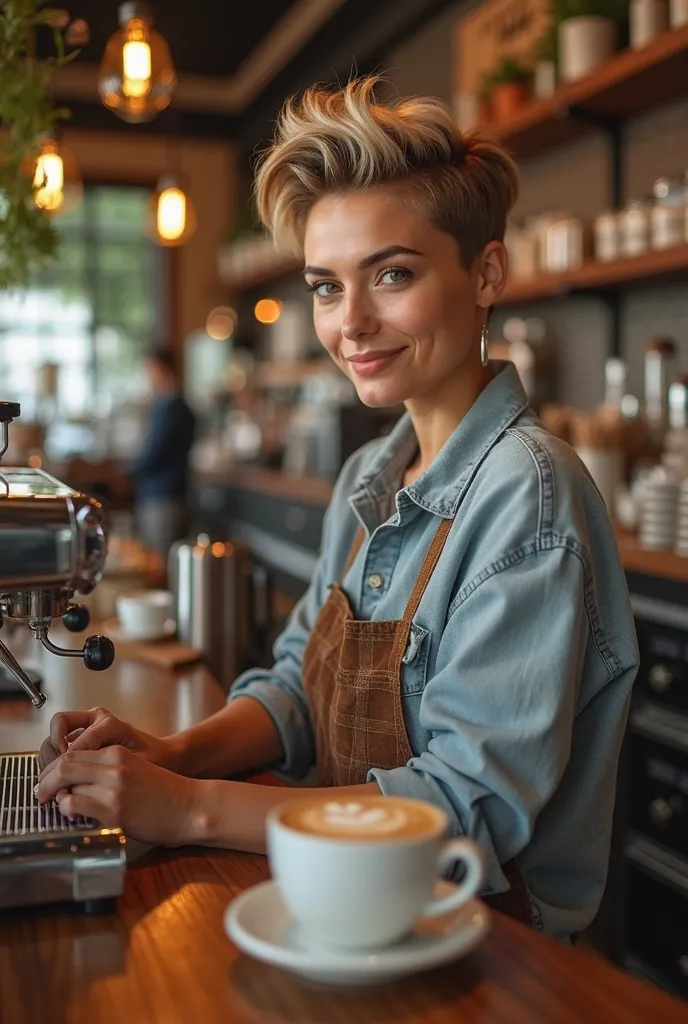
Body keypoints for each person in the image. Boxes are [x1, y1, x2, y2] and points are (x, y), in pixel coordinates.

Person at [37, 77, 639, 942]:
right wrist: (170, 754)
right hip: (345, 898)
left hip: (488, 944)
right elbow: (295, 689)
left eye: (391, 274)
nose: (350, 323)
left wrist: (191, 808)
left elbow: (466, 809)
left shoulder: (530, 497)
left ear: (487, 273)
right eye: (326, 286)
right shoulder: (372, 471)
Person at [129, 347, 195, 561]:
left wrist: (123, 472)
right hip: (160, 496)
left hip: (164, 500)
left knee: (161, 565)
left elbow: (153, 454)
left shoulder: (174, 410)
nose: (148, 376)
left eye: (151, 370)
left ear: (163, 370)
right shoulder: (166, 407)